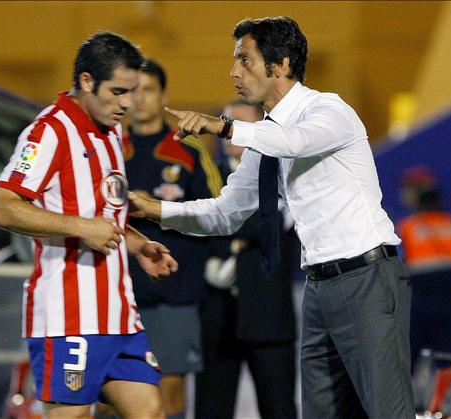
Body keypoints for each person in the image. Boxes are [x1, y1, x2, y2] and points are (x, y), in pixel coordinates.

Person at [129, 16, 415, 418]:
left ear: (280, 65)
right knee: (321, 414)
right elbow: (225, 213)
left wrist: (224, 127)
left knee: (387, 412)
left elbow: (295, 141)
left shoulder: (329, 110)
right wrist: (152, 209)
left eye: (244, 60)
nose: (234, 72)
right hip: (318, 289)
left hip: (366, 279)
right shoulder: (266, 137)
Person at [0, 32, 178, 419]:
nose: (128, 103)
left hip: (118, 313)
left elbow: (101, 211)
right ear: (87, 81)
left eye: (132, 91)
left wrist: (138, 246)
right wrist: (80, 227)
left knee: (152, 411)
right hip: (69, 316)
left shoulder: (111, 129)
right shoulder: (50, 131)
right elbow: (2, 207)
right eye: (118, 91)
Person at [123, 59, 223, 419]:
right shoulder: (109, 149)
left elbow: (216, 213)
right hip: (120, 294)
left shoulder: (189, 150)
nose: (139, 99)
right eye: (132, 90)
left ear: (164, 95)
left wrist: (154, 208)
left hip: (174, 293)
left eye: (148, 89)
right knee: (113, 394)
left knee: (170, 393)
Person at [195, 99, 298, 419]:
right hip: (217, 317)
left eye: (239, 123)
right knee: (212, 410)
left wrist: (225, 226)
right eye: (226, 122)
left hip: (268, 315)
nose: (229, 130)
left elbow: (274, 222)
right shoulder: (206, 176)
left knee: (278, 408)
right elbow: (196, 225)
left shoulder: (283, 174)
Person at [397, 167, 451, 370]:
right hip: (450, 305)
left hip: (418, 308)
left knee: (405, 365)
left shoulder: (407, 227)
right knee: (449, 363)